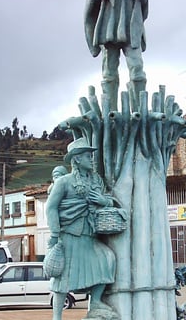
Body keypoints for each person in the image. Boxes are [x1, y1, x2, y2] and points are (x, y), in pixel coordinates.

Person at [46, 137, 117, 320]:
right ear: (76, 159)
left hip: (89, 235)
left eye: (92, 155)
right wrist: (54, 233)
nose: (91, 159)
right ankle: (57, 317)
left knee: (107, 259)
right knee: (63, 278)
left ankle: (95, 303)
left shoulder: (96, 181)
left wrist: (104, 201)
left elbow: (108, 200)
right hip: (69, 236)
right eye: (87, 155)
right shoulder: (64, 182)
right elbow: (51, 207)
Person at [84, 0, 148, 112]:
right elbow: (90, 4)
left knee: (138, 70)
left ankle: (139, 112)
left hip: (129, 31)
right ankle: (110, 112)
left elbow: (143, 1)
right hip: (109, 31)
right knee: (109, 73)